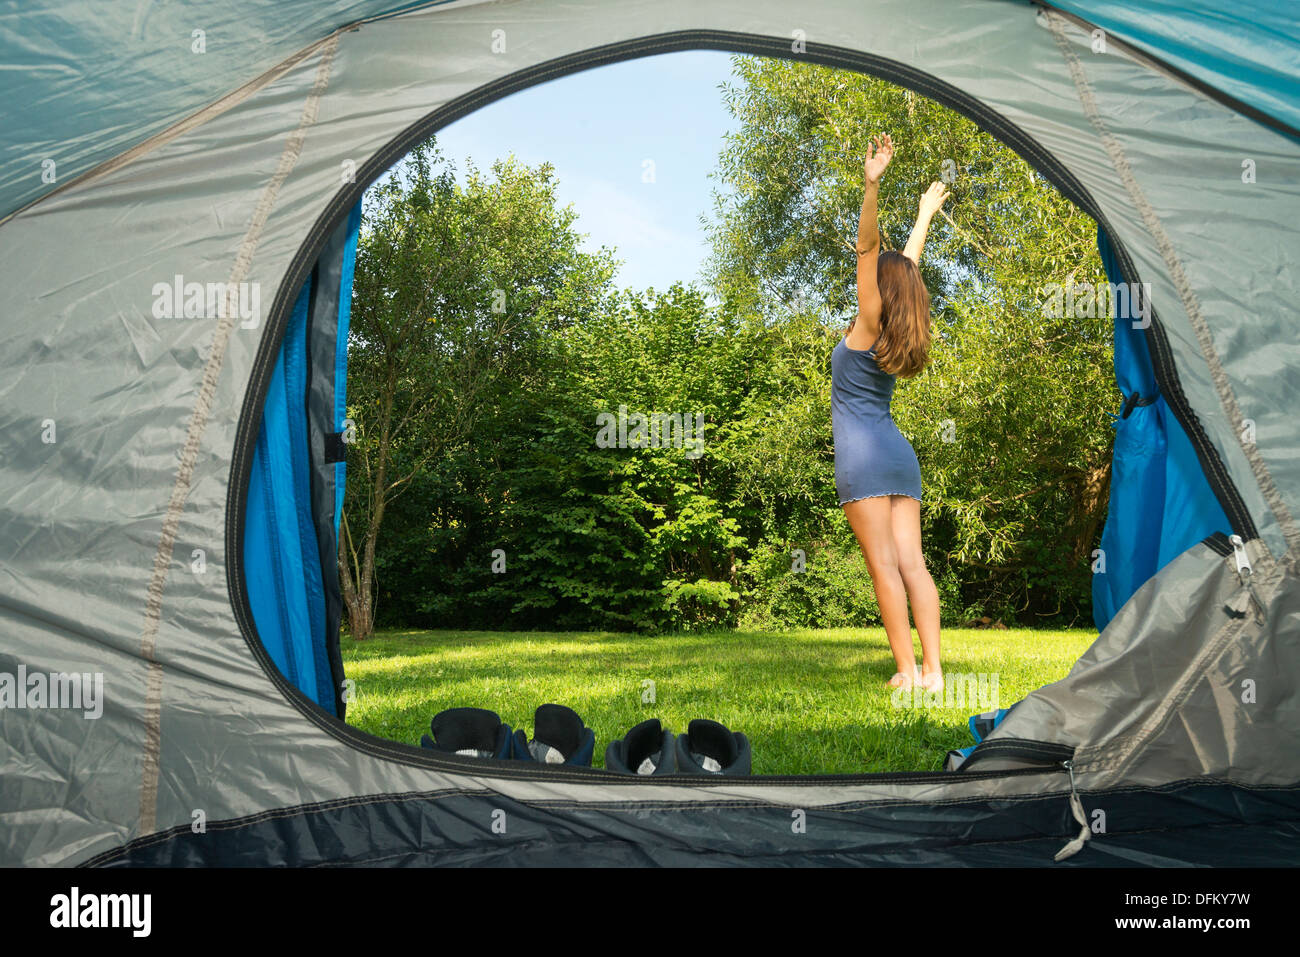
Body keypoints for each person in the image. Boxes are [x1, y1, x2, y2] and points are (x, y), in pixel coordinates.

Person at [831, 132, 949, 693]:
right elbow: (907, 265)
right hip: (899, 458)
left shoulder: (868, 322)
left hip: (863, 462)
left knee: (884, 567)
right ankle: (934, 672)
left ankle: (905, 671)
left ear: (879, 290)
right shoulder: (898, 323)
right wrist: (925, 213)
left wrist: (871, 186)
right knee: (914, 566)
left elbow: (868, 252)